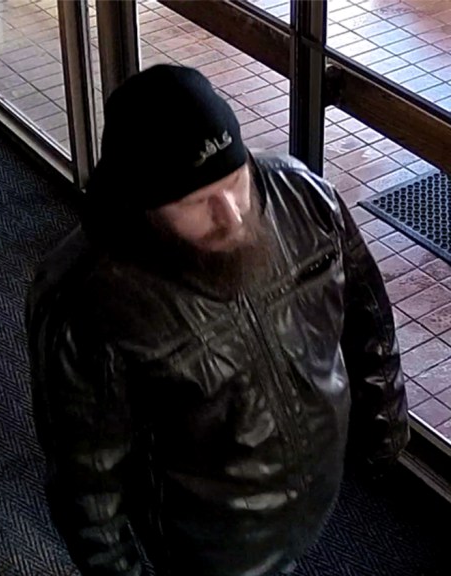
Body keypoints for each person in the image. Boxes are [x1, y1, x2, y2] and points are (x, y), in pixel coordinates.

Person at [25, 64, 409, 576]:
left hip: (320, 478)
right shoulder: (87, 300)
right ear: (144, 205)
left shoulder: (306, 197)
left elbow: (370, 319)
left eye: (235, 180)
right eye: (197, 201)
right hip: (206, 536)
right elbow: (87, 479)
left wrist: (385, 425)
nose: (230, 214)